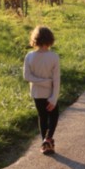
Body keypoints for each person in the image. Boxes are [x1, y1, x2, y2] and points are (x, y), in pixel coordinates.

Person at [23, 25, 61, 155]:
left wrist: (40, 82)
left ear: (35, 39)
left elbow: (27, 76)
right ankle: (48, 139)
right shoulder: (54, 57)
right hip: (50, 93)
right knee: (54, 116)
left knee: (42, 117)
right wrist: (53, 98)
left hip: (36, 93)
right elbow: (56, 80)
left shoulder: (29, 56)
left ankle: (45, 144)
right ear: (50, 39)